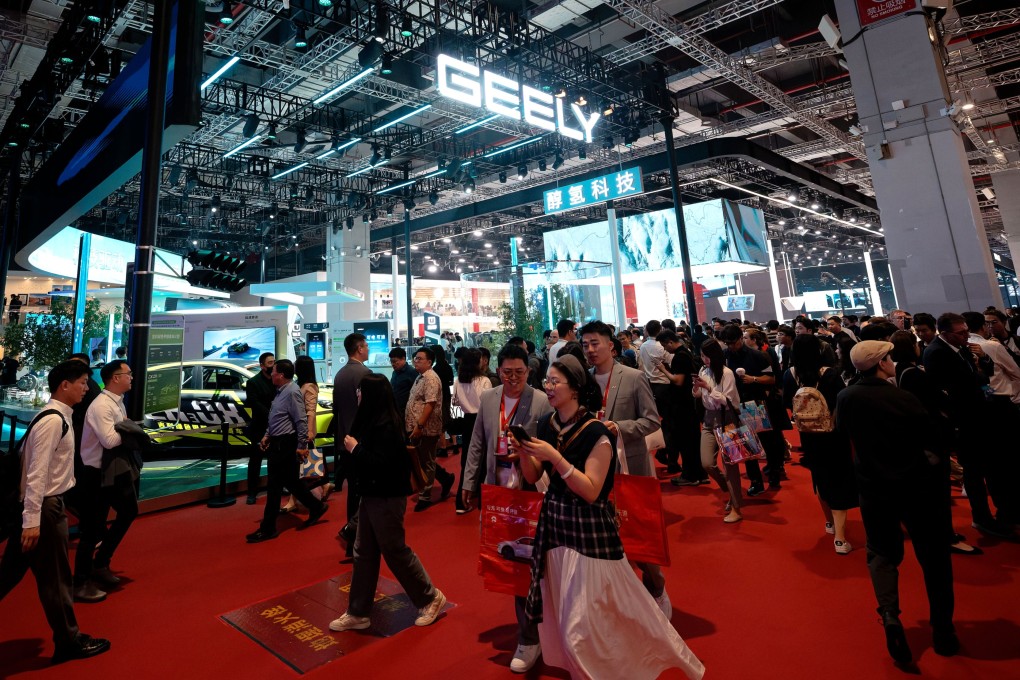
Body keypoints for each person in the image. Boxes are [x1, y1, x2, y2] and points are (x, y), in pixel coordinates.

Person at [513, 354, 705, 680]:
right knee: (568, 616)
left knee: (584, 622)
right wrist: (522, 450)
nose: (548, 386)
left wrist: (555, 456)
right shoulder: (547, 424)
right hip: (556, 528)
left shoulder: (597, 432)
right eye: (547, 380)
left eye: (555, 381)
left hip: (590, 534)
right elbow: (533, 477)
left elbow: (590, 490)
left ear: (574, 388)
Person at [836, 341, 958, 665]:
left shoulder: (846, 397)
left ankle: (890, 616)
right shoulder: (903, 398)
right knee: (934, 559)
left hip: (873, 489)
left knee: (881, 554)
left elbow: (843, 435)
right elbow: (932, 437)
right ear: (883, 362)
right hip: (916, 488)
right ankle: (943, 631)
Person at [0, 360, 111, 663]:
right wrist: (33, 521)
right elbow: (37, 475)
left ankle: (69, 639)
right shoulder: (53, 421)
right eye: (83, 382)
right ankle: (69, 641)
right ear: (65, 385)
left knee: (9, 575)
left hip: (39, 511)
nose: (87, 388)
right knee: (57, 580)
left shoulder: (55, 417)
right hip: (45, 511)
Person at [328, 374, 447, 633]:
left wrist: (356, 450)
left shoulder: (387, 426)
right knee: (364, 552)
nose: (358, 396)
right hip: (371, 495)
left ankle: (429, 597)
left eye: (361, 392)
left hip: (387, 496)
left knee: (394, 550)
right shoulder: (373, 421)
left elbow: (386, 466)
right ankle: (358, 611)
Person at [461, 343, 553, 673]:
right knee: (515, 567)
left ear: (529, 372)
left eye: (520, 373)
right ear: (497, 371)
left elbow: (548, 450)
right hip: (499, 493)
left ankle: (544, 630)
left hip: (532, 492)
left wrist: (527, 456)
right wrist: (469, 484)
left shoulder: (541, 400)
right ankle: (528, 637)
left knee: (540, 565)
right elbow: (477, 444)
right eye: (507, 373)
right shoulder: (489, 399)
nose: (513, 379)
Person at [580, 321, 671, 617]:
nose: (591, 350)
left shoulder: (632, 377)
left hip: (630, 467)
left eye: (595, 343)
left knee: (640, 537)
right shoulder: (584, 381)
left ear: (611, 346)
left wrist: (618, 428)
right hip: (596, 473)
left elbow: (652, 421)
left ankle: (657, 587)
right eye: (586, 345)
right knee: (605, 540)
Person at [923, 313, 1015, 538]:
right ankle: (982, 518)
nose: (967, 335)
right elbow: (950, 389)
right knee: (975, 473)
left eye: (966, 330)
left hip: (980, 417)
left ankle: (1003, 515)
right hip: (964, 422)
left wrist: (982, 361)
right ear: (945, 334)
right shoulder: (936, 353)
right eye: (961, 332)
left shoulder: (963, 347)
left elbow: (981, 378)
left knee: (991, 469)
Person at [890, 331, 981, 556]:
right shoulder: (913, 373)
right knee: (937, 490)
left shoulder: (898, 370)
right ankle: (945, 536)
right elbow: (938, 401)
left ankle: (940, 533)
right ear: (912, 346)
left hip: (912, 439)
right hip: (929, 438)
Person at [783, 335, 858, 554]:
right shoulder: (829, 373)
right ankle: (840, 539)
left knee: (820, 478)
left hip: (808, 435)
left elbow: (788, 402)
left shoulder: (790, 374)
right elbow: (842, 401)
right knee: (839, 480)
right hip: (833, 434)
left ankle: (829, 523)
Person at [74, 360, 139, 601]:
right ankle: (80, 581)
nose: (131, 377)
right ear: (114, 378)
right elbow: (110, 440)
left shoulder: (117, 403)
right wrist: (131, 431)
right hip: (96, 474)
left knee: (129, 511)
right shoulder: (101, 406)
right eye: (127, 374)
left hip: (112, 470)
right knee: (92, 529)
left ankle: (100, 563)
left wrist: (128, 429)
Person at [246, 360, 329, 543]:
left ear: (281, 375)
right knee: (291, 481)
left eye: (274, 371)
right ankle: (316, 506)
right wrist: (268, 435)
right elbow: (276, 418)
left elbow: (300, 420)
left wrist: (301, 446)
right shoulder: (282, 391)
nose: (271, 374)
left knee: (274, 486)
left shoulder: (292, 392)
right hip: (278, 442)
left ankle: (268, 528)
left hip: (285, 444)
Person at [694, 341, 744, 523]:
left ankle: (737, 507)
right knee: (706, 462)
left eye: (706, 356)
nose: (704, 359)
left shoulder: (727, 373)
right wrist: (697, 387)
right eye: (701, 356)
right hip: (708, 419)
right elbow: (699, 396)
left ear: (715, 355)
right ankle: (728, 488)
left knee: (730, 465)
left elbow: (728, 401)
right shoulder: (703, 371)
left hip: (727, 419)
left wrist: (708, 388)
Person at [333, 334, 372, 552]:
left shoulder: (339, 375)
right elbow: (368, 411)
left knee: (353, 491)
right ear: (358, 349)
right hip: (361, 443)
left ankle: (352, 537)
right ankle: (357, 536)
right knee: (365, 491)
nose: (368, 349)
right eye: (366, 346)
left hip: (344, 442)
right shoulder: (365, 374)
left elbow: (337, 410)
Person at [407, 347, 456, 511]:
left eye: (420, 359)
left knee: (426, 461)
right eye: (416, 358)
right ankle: (445, 478)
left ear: (430, 362)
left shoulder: (431, 379)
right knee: (424, 459)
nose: (416, 361)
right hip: (418, 427)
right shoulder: (421, 377)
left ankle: (425, 497)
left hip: (427, 428)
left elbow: (430, 404)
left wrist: (420, 425)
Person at [281, 356, 332, 513]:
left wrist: (309, 431)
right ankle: (325, 484)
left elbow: (311, 411)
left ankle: (292, 500)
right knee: (307, 464)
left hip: (304, 431)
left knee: (299, 467)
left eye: (297, 365)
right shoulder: (301, 384)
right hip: (300, 429)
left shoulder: (309, 387)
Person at [655, 330, 706, 485]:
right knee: (693, 440)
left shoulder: (680, 357)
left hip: (682, 405)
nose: (665, 349)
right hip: (690, 403)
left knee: (686, 441)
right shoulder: (687, 352)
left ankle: (690, 475)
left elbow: (678, 381)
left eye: (664, 345)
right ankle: (700, 473)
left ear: (670, 341)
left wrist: (663, 369)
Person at [451, 349, 492, 514]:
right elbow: (487, 404)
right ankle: (484, 500)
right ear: (477, 362)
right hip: (482, 419)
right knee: (484, 460)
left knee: (467, 459)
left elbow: (455, 403)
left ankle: (460, 502)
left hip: (467, 421)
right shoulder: (484, 381)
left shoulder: (458, 381)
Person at [244, 352, 275, 505]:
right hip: (259, 427)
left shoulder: (277, 381)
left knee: (274, 461)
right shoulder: (253, 383)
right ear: (262, 366)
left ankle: (275, 488)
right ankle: (251, 493)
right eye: (270, 363)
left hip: (276, 427)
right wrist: (272, 415)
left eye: (274, 362)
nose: (273, 365)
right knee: (255, 461)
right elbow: (254, 403)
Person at [388, 347, 417, 420]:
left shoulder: (412, 372)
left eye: (395, 361)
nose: (393, 364)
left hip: (406, 412)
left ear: (403, 359)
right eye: (391, 361)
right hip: (395, 410)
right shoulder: (395, 372)